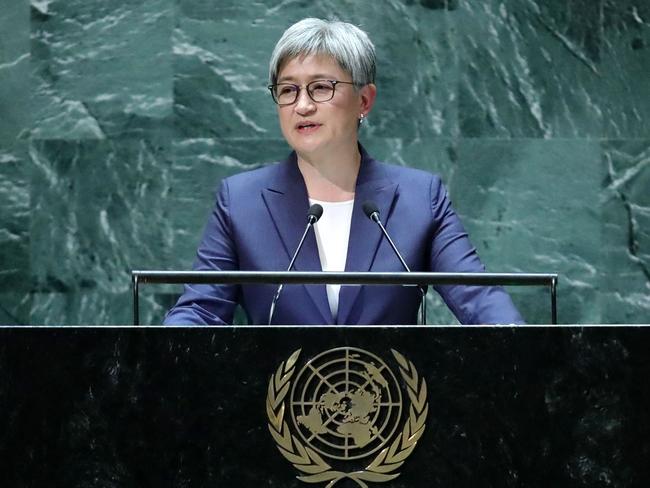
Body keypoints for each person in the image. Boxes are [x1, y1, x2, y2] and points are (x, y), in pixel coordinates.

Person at [164, 18, 524, 325]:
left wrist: (534, 349)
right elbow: (200, 310)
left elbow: (481, 302)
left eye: (321, 87)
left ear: (364, 100)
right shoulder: (241, 201)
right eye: (288, 90)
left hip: (392, 403)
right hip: (279, 402)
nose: (302, 105)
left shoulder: (419, 198)